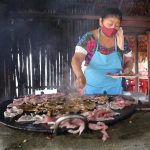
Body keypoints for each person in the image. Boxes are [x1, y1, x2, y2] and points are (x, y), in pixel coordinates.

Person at [71, 8, 133, 96]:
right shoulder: (89, 38)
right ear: (101, 21)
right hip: (92, 89)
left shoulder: (122, 40)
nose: (113, 28)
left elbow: (129, 60)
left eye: (117, 25)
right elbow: (76, 59)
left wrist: (128, 69)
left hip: (114, 89)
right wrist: (80, 76)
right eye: (110, 24)